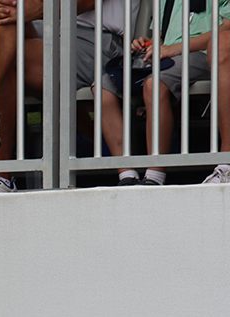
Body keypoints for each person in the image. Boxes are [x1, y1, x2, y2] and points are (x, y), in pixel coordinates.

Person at [0, 0, 141, 194]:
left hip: (96, 38)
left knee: (9, 52)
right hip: (44, 27)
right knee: (3, 15)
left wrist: (38, 8)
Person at [98, 0, 230, 185]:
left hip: (200, 53)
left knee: (154, 84)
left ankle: (154, 176)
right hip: (167, 56)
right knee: (103, 86)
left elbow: (226, 30)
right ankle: (127, 175)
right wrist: (146, 44)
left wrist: (174, 49)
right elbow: (161, 37)